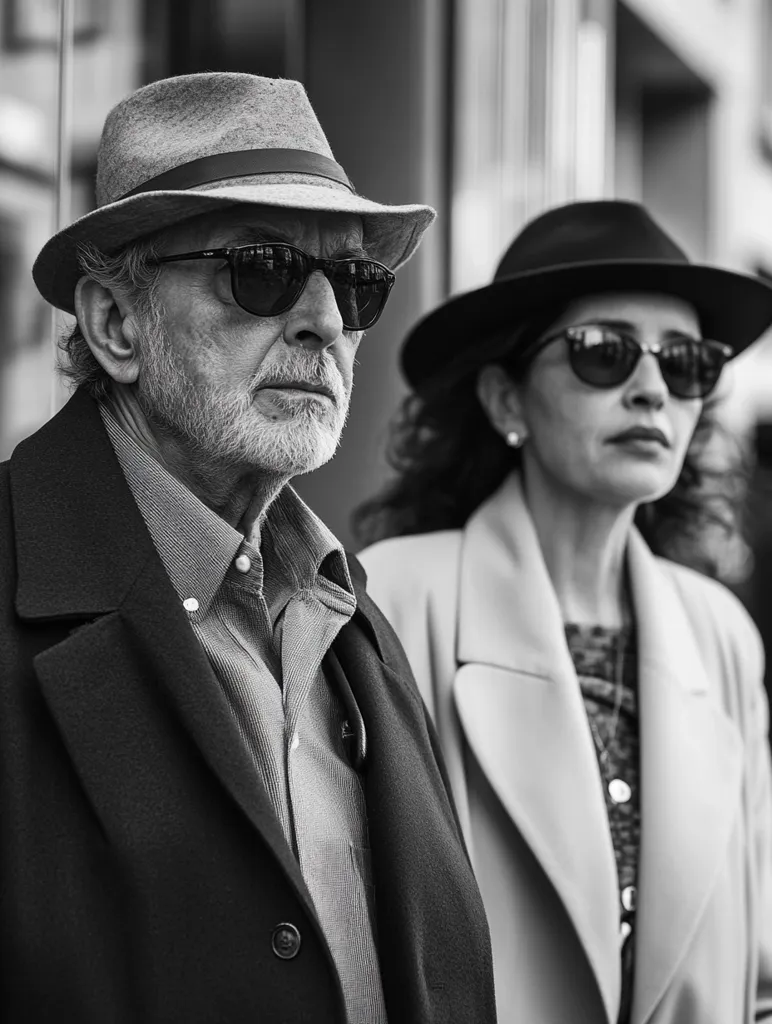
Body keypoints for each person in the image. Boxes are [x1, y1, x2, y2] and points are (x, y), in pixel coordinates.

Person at [0, 72, 496, 1023]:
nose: (322, 322)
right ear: (114, 323)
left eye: (354, 285)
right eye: (261, 269)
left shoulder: (350, 617)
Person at [358, 200, 772, 1024]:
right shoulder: (392, 599)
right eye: (603, 353)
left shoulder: (721, 632)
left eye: (687, 363)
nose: (653, 389)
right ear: (506, 400)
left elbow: (758, 975)